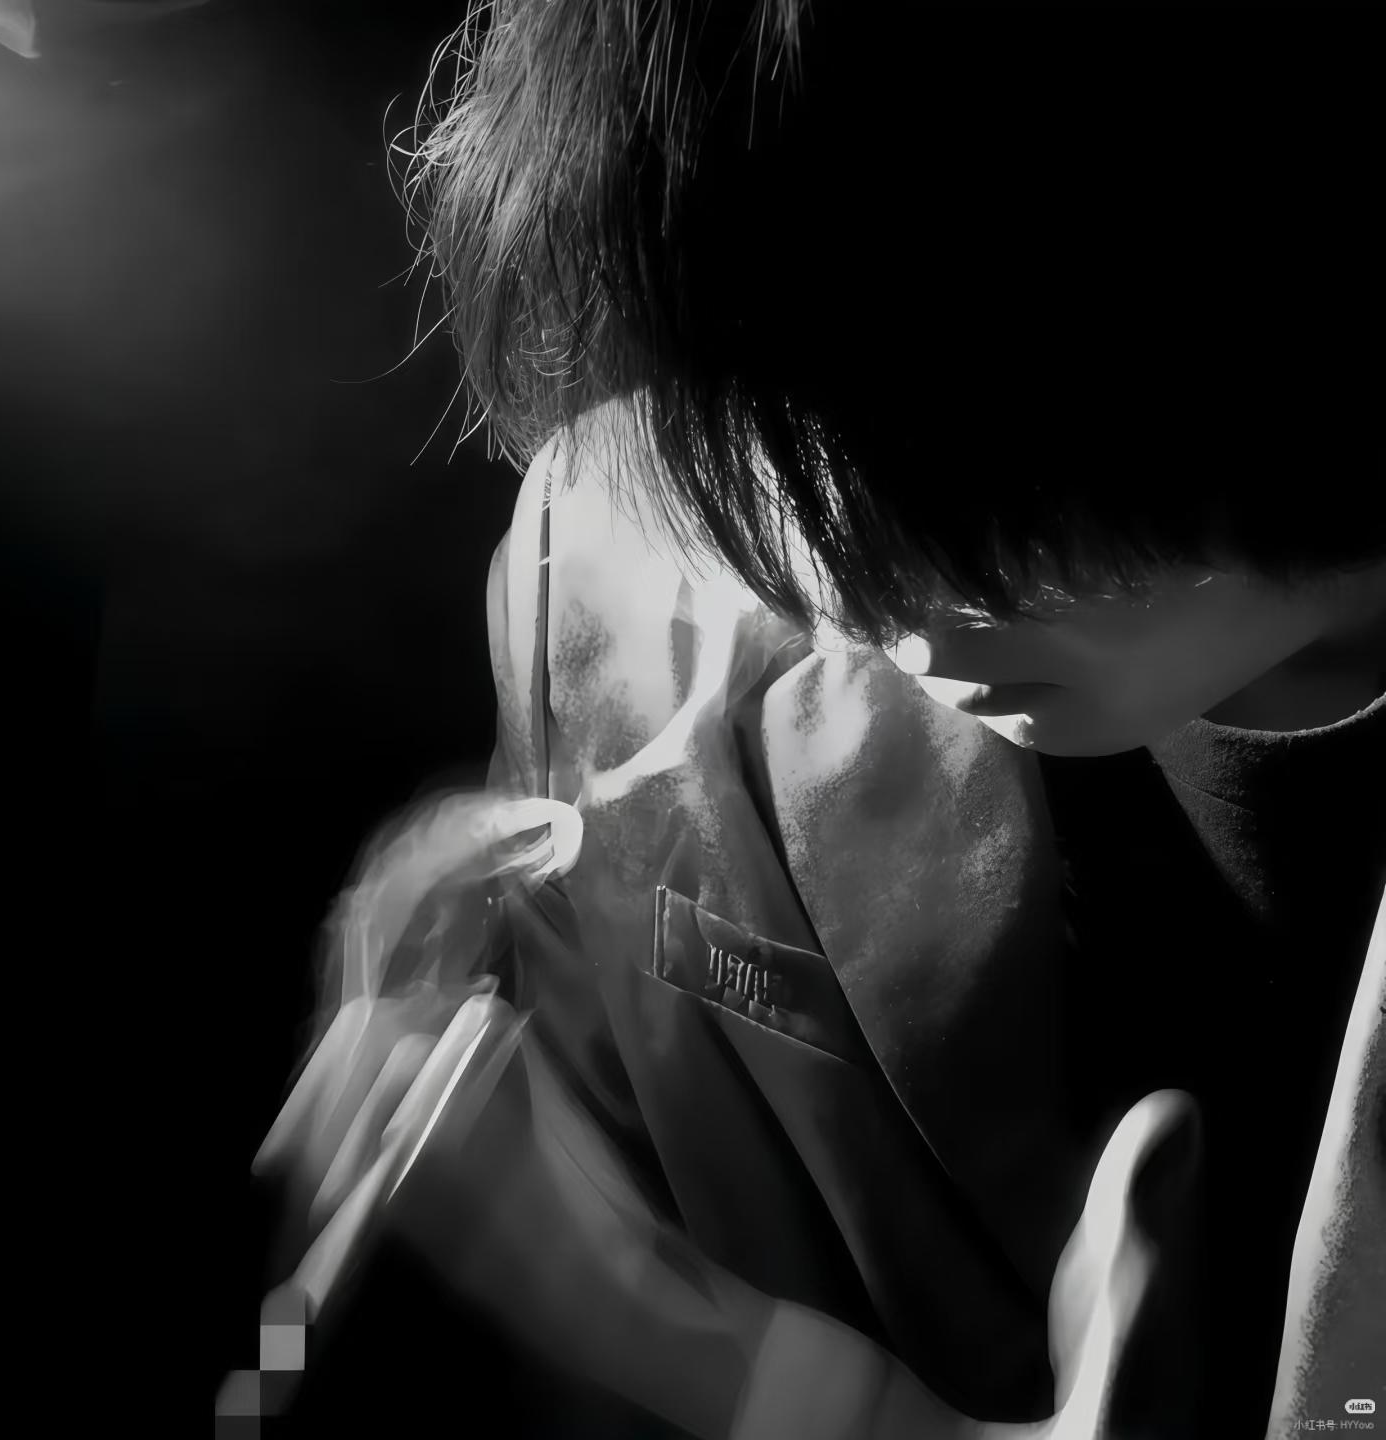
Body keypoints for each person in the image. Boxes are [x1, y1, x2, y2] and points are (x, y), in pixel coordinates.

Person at [244, 4, 1385, 1436]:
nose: (836, 576)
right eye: (764, 400)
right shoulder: (624, 595)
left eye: (955, 415)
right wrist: (408, 1298)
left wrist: (738, 1373)